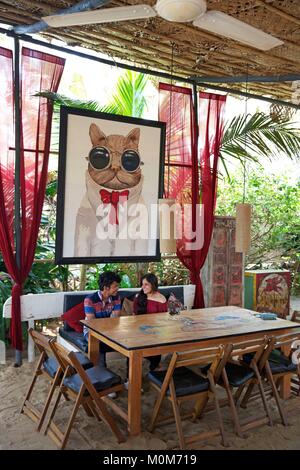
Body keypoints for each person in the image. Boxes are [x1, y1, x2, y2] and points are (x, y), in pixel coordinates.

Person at [83, 271, 121, 368]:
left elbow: (115, 319)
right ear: (105, 288)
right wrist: (109, 322)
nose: (118, 288)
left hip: (110, 330)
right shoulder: (90, 300)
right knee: (98, 342)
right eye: (115, 286)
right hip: (91, 331)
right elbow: (93, 323)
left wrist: (110, 325)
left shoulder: (116, 298)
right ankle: (100, 370)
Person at [133, 273, 168, 371]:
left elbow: (163, 320)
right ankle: (130, 378)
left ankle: (154, 371)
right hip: (138, 331)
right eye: (142, 284)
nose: (143, 287)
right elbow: (134, 316)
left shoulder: (161, 299)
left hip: (155, 332)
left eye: (146, 284)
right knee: (133, 352)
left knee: (155, 356)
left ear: (153, 284)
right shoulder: (138, 297)